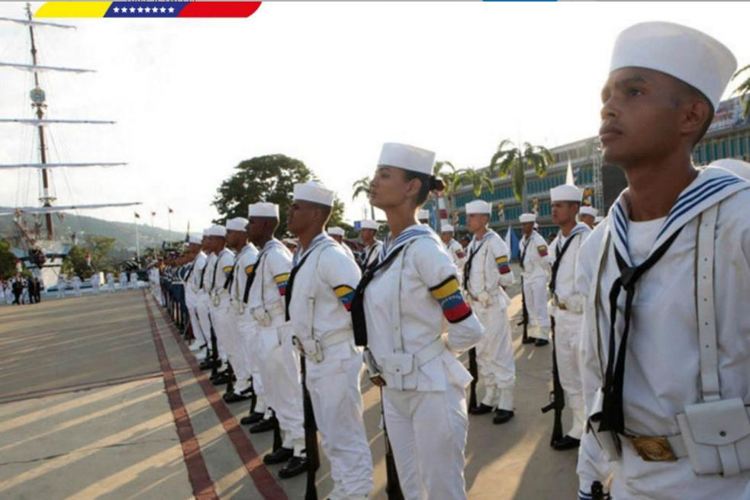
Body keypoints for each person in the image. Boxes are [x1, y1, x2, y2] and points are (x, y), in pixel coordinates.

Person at [577, 21, 750, 499]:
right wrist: (589, 476)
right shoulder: (603, 242)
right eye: (606, 95)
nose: (609, 107)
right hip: (630, 479)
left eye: (634, 91)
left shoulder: (740, 222)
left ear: (691, 116)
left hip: (728, 484)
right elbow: (596, 375)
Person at [352, 142, 485, 499]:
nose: (374, 182)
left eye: (385, 175)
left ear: (412, 187)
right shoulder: (384, 250)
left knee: (441, 491)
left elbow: (467, 326)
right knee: (412, 490)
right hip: (394, 391)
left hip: (431, 391)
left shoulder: (425, 250)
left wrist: (427, 355)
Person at [287, 181, 373, 499]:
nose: (290, 211)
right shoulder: (303, 254)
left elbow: (358, 307)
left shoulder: (331, 256)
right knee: (331, 435)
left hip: (336, 357)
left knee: (345, 435)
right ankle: (344, 489)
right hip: (315, 358)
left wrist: (371, 355)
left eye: (297, 207)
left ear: (317, 213)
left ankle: (356, 492)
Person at [245, 204, 306, 479]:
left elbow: (287, 296)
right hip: (265, 331)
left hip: (279, 331)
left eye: (252, 222)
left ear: (268, 224)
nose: (248, 227)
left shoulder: (278, 255)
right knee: (276, 391)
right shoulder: (265, 255)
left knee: (288, 392)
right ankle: (289, 441)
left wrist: (288, 333)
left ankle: (303, 449)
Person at [546, 184, 591, 452]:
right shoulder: (558, 242)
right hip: (561, 317)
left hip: (581, 317)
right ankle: (577, 425)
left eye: (560, 205)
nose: (554, 210)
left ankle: (590, 427)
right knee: (568, 375)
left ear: (575, 209)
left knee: (586, 373)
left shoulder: (587, 238)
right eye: (553, 206)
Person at [463, 200, 516, 424]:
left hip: (492, 305)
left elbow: (506, 275)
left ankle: (506, 400)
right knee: (483, 352)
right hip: (476, 305)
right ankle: (491, 394)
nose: (469, 220)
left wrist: (492, 294)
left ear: (485, 219)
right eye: (469, 216)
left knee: (498, 351)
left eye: (473, 216)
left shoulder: (495, 243)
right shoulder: (473, 244)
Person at [223, 217, 258, 403]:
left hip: (251, 316)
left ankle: (263, 406)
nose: (226, 237)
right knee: (245, 356)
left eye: (230, 232)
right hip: (241, 314)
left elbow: (255, 285)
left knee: (256, 364)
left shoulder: (250, 257)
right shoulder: (241, 256)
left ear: (242, 234)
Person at [518, 213, 551, 346]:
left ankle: (543, 336)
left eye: (526, 224)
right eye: (522, 224)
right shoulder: (522, 240)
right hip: (527, 276)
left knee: (539, 306)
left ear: (532, 225)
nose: (523, 227)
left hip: (537, 276)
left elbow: (545, 259)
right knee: (530, 307)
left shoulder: (539, 240)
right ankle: (533, 334)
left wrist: (547, 274)